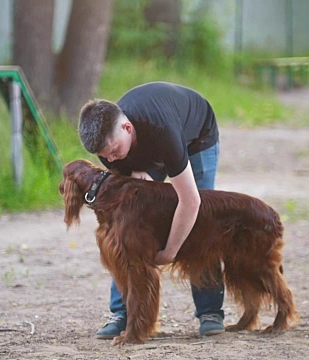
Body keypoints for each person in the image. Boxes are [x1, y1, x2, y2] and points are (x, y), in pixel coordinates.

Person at [77, 81, 225, 339]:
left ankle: (209, 311)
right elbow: (125, 218)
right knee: (126, 230)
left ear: (127, 128)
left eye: (113, 152)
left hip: (196, 137)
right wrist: (137, 172)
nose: (110, 160)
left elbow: (190, 201)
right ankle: (123, 312)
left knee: (201, 222)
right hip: (148, 149)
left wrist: (170, 251)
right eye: (104, 156)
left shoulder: (161, 129)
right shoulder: (108, 147)